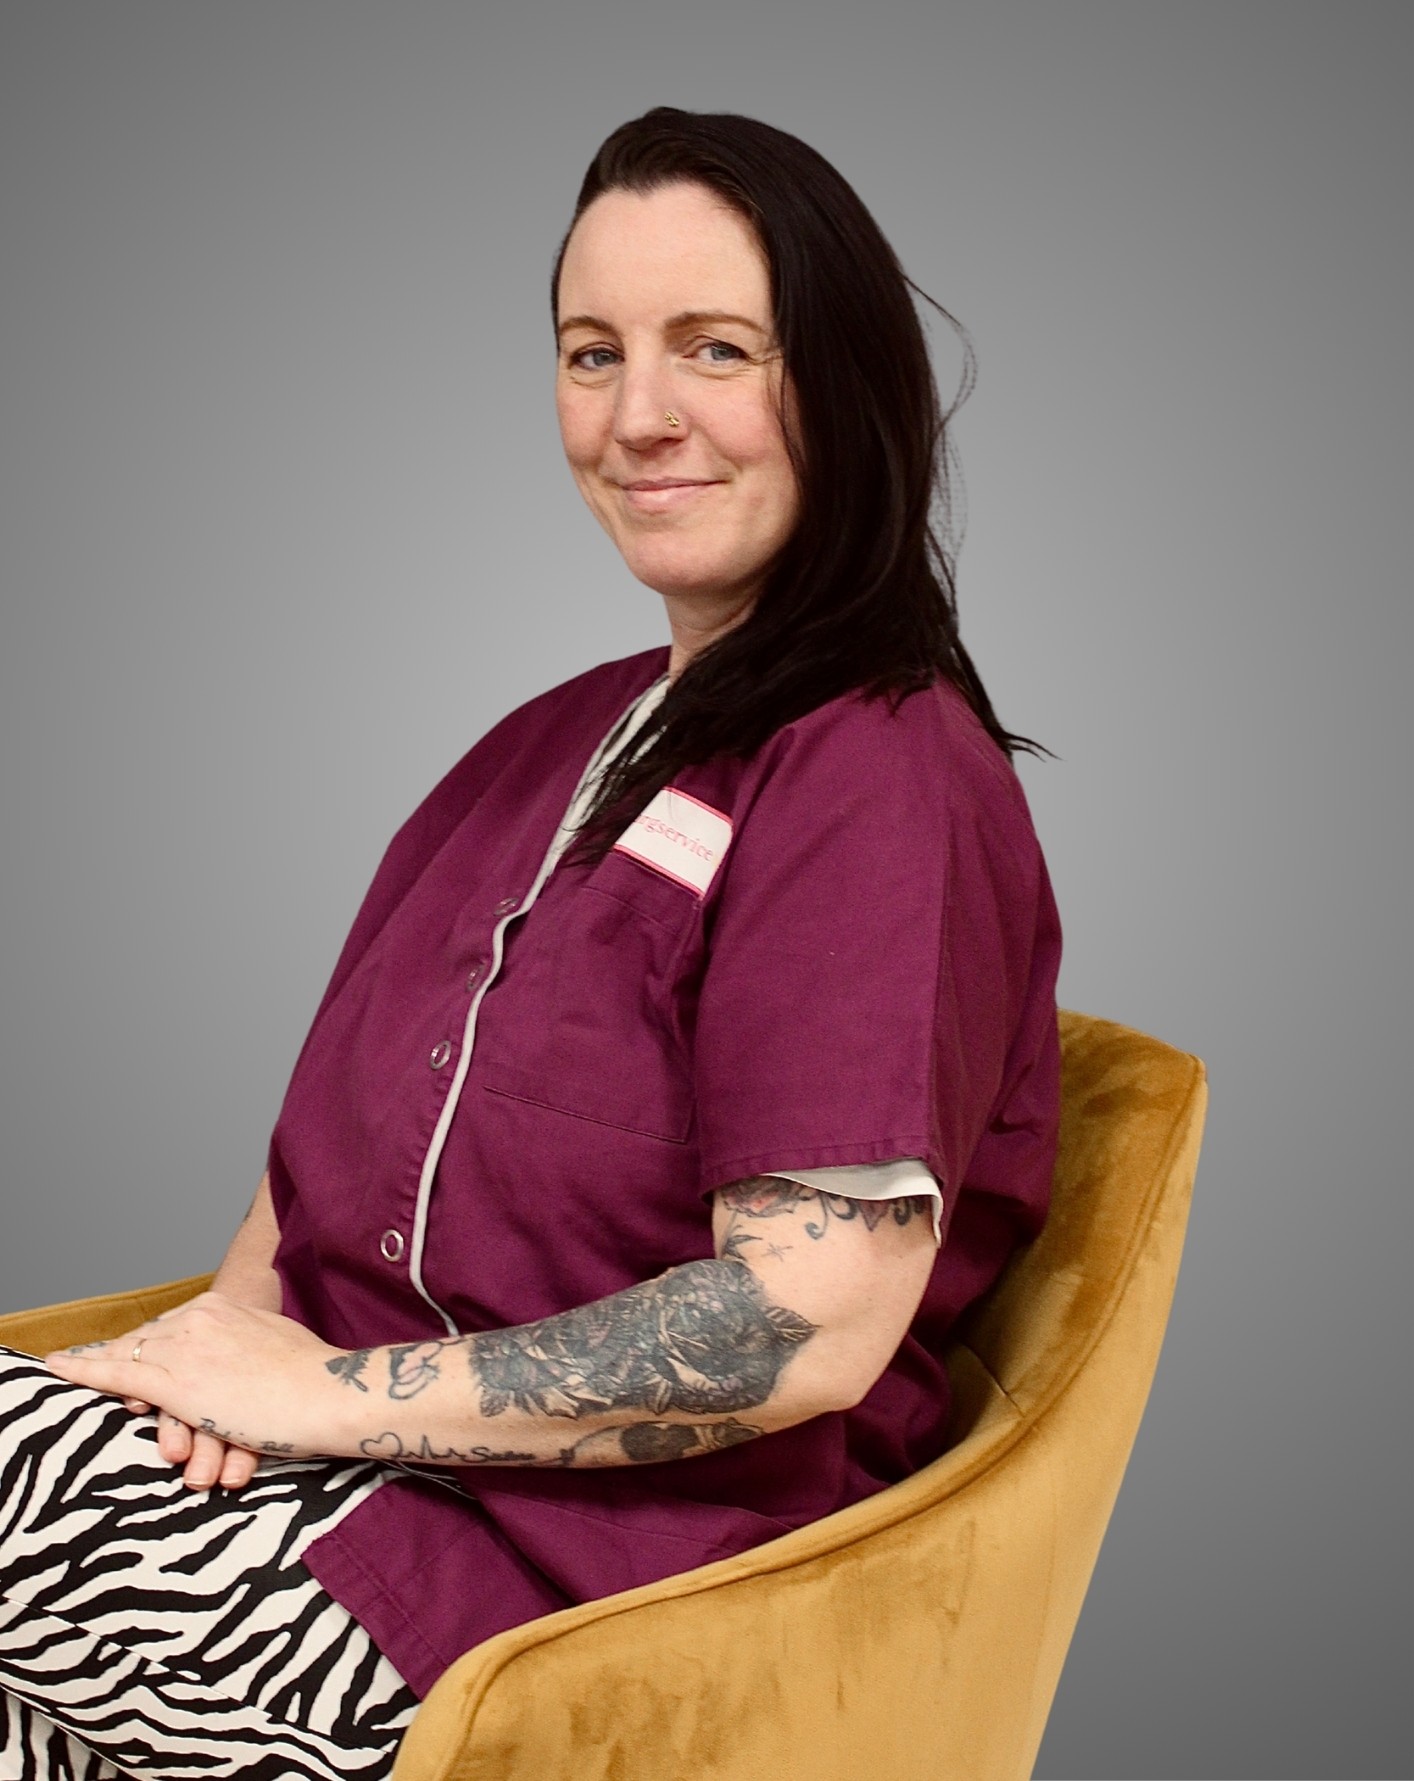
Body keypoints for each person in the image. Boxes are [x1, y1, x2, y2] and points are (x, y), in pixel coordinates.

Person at [0, 107, 1061, 1779]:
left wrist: (314, 1399)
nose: (639, 416)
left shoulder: (876, 770)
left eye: (715, 348)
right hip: (297, 1488)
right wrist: (203, 1373)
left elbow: (800, 1323)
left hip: (550, 1598)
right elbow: (310, 1172)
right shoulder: (545, 743)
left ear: (848, 381)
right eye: (591, 353)